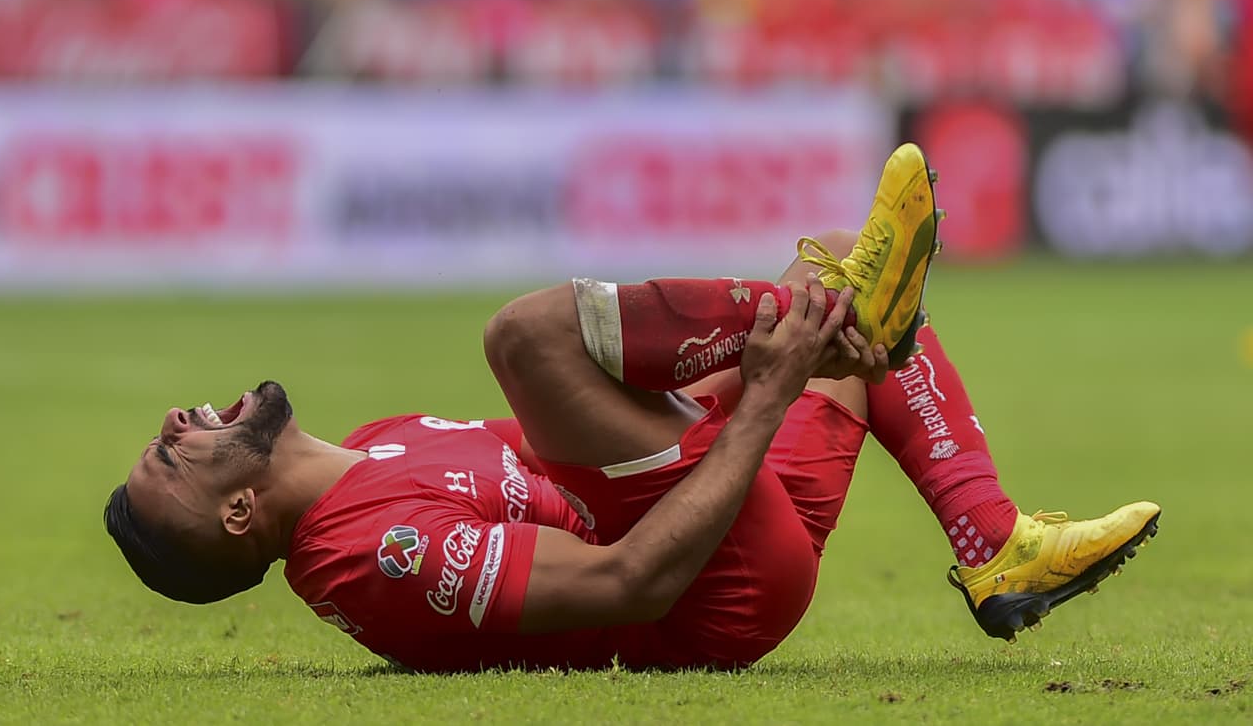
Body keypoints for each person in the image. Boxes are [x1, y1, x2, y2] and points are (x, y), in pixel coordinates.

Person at [103, 145, 1159, 672]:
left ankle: (993, 543)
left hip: (705, 515)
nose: (172, 423)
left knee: (847, 350)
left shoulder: (379, 447)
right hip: (711, 589)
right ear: (237, 515)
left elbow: (600, 457)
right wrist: (753, 398)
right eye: (171, 460)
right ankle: (822, 297)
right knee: (527, 338)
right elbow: (627, 576)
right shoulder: (369, 558)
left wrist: (731, 386)